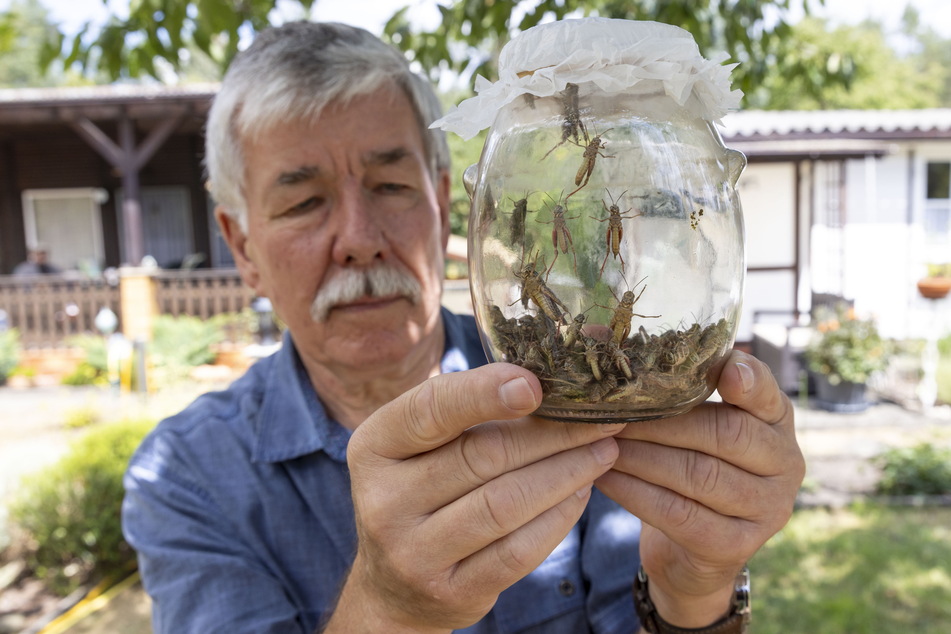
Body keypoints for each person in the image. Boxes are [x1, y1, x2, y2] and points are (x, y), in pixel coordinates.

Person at [121, 20, 805, 634]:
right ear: (241, 247)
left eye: (391, 187)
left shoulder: (584, 386)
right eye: (303, 203)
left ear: (447, 207)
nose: (359, 239)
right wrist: (387, 608)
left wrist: (693, 593)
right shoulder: (183, 477)